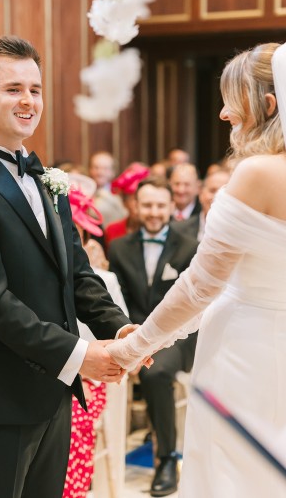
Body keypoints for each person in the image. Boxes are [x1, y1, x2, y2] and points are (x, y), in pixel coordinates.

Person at [0, 35, 133, 498]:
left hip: (53, 394)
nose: (28, 101)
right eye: (13, 88)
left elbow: (76, 271)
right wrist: (82, 356)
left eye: (35, 89)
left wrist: (120, 330)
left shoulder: (45, 178)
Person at [107, 42, 286, 497]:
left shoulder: (257, 174)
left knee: (235, 477)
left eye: (233, 99)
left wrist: (136, 347)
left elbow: (200, 288)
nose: (224, 114)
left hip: (246, 356)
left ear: (267, 105)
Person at [108, 177, 198, 497]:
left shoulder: (189, 245)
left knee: (156, 370)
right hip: (137, 328)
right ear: (135, 206)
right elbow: (120, 299)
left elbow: (192, 303)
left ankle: (166, 459)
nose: (154, 211)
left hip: (181, 334)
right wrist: (133, 336)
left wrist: (155, 339)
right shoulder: (119, 247)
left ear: (172, 206)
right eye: (147, 205)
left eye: (161, 205)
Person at [63, 180, 128, 498]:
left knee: (75, 420)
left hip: (94, 375)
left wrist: (126, 341)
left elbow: (112, 320)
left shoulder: (104, 280)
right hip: (56, 365)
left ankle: (74, 488)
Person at [104, 162, 150, 249]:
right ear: (124, 202)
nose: (139, 205)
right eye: (134, 198)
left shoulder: (158, 231)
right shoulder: (112, 231)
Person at [177, 169, 231, 241]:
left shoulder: (238, 233)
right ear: (201, 194)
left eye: (224, 192)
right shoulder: (179, 230)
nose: (217, 196)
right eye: (212, 191)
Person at [88, 151, 127, 227]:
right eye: (96, 168)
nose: (100, 172)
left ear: (113, 172)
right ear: (90, 170)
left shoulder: (120, 194)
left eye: (105, 168)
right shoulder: (85, 192)